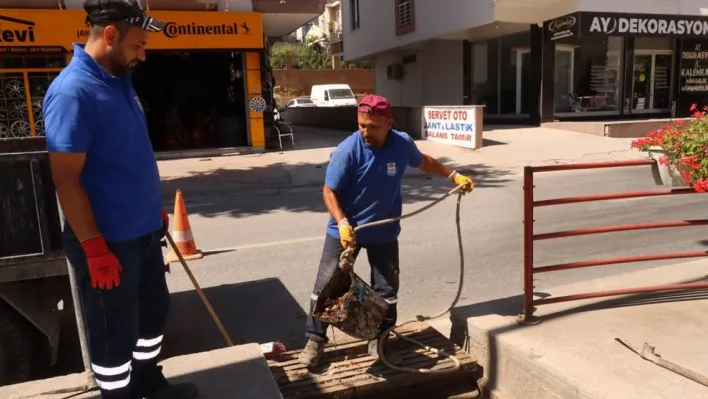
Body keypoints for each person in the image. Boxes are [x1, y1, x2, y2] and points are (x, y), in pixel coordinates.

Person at [42, 1, 198, 398]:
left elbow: (128, 156)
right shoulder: (73, 92)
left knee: (152, 318)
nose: (142, 54)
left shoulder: (118, 81)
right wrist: (94, 250)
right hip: (109, 243)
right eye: (138, 45)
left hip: (144, 232)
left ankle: (148, 382)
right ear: (110, 36)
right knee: (114, 334)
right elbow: (65, 180)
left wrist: (154, 210)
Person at [299, 95, 475, 367]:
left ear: (389, 123)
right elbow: (328, 190)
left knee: (387, 291)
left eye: (372, 126)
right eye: (361, 125)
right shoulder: (349, 150)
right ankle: (315, 339)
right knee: (326, 286)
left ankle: (380, 339)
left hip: (384, 232)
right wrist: (343, 223)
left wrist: (453, 175)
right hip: (346, 231)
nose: (365, 132)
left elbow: (423, 161)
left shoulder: (401, 143)